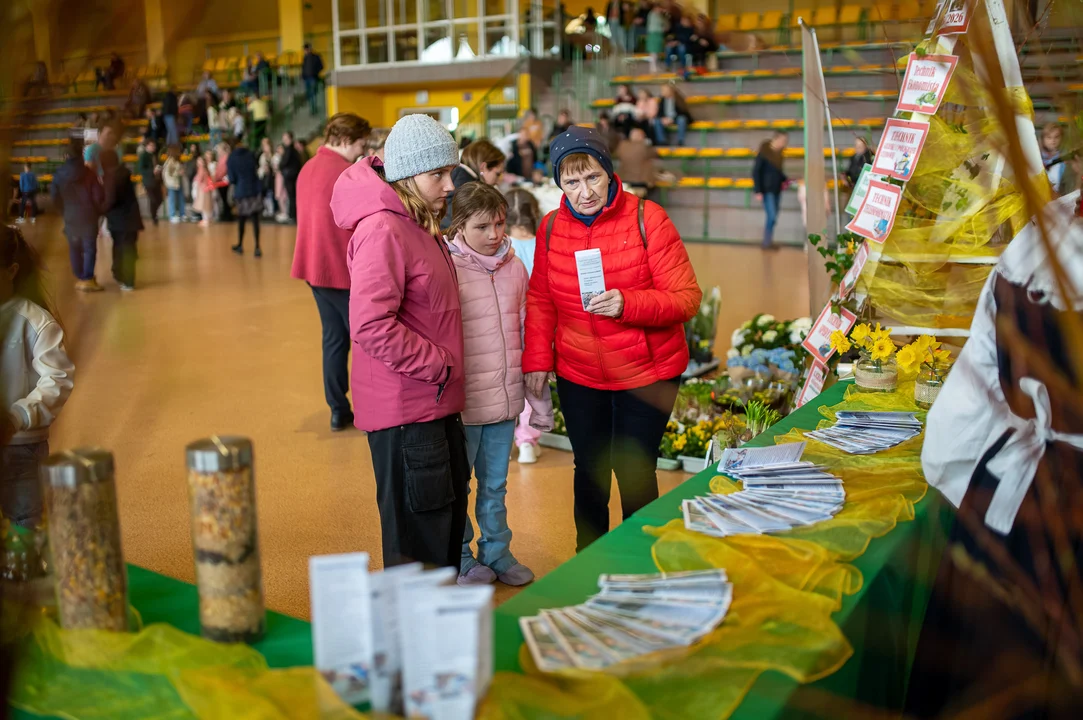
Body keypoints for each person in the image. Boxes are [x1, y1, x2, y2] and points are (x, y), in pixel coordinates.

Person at [910, 189, 1083, 718]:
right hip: (1016, 496)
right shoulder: (1048, 224)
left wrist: (957, 469)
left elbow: (979, 374)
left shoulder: (1048, 227)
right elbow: (983, 365)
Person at [523, 126, 701, 551]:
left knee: (636, 471)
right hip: (580, 373)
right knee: (588, 470)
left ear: (608, 171)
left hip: (647, 372)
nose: (584, 191)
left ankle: (638, 560)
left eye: (592, 177)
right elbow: (541, 300)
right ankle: (591, 561)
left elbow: (686, 298)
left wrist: (629, 303)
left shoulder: (648, 218)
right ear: (559, 184)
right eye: (571, 181)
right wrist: (536, 361)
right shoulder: (551, 229)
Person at [331, 113, 467, 569]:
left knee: (442, 522)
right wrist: (439, 365)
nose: (450, 185)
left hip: (434, 400)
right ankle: (417, 636)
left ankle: (439, 630)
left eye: (450, 171)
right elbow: (370, 324)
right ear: (408, 176)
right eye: (439, 174)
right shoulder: (384, 229)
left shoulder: (416, 220)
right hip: (409, 407)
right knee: (419, 543)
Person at [446, 182, 552, 587]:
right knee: (459, 488)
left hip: (505, 402)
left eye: (499, 223)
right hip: (465, 405)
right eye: (482, 226)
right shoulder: (448, 266)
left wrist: (535, 398)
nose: (494, 234)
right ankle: (461, 558)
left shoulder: (514, 267)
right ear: (459, 226)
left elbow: (527, 329)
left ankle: (497, 552)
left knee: (495, 486)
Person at [292, 113, 372, 431]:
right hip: (343, 268)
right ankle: (370, 409)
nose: (361, 151)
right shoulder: (348, 172)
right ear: (344, 140)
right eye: (360, 144)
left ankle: (338, 409)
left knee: (334, 340)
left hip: (314, 267)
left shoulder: (307, 168)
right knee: (368, 343)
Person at [0, 225, 75, 528]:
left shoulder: (34, 321)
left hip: (21, 449)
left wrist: (17, 417)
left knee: (24, 526)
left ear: (12, 271)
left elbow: (57, 380)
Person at [504, 188, 545, 464]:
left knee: (505, 384)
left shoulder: (501, 246)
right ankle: (527, 441)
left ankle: (503, 442)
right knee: (533, 386)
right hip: (536, 328)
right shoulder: (543, 245)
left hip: (504, 326)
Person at [51, 140, 104, 292]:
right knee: (89, 248)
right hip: (88, 216)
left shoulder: (59, 173)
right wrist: (97, 211)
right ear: (81, 154)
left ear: (66, 155)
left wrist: (63, 211)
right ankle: (88, 279)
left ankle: (80, 276)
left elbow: (54, 196)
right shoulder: (89, 173)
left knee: (74, 247)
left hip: (70, 215)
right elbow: (98, 195)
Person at [100, 149, 142, 290]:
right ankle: (127, 279)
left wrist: (98, 210)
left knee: (121, 250)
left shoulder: (112, 177)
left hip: (119, 221)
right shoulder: (123, 173)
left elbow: (110, 200)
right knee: (129, 249)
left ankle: (126, 279)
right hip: (131, 219)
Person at [443, 139, 507, 229]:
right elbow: (452, 224)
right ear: (483, 167)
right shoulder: (468, 188)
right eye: (497, 174)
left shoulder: (459, 177)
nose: (497, 181)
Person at [226, 139, 263, 256]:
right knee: (255, 220)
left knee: (241, 220)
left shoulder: (231, 158)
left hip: (241, 191)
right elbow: (255, 171)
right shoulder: (250, 155)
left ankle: (240, 245)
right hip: (253, 190)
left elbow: (232, 179)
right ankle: (257, 247)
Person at [753, 131, 790, 249]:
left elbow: (778, 173)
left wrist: (787, 179)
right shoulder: (764, 153)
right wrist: (758, 190)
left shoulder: (780, 155)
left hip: (777, 189)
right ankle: (766, 242)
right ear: (776, 139)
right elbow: (756, 171)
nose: (784, 144)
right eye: (783, 141)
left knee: (773, 217)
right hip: (766, 190)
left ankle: (768, 241)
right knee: (772, 216)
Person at [615, 127, 657, 194]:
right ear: (641, 136)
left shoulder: (622, 145)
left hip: (623, 179)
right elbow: (654, 154)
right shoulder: (644, 145)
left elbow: (617, 154)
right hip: (640, 180)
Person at [137, 139, 164, 225]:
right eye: (151, 145)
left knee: (160, 198)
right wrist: (152, 171)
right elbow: (141, 169)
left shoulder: (155, 155)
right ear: (147, 146)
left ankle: (154, 214)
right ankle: (154, 217)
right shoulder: (143, 156)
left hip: (157, 180)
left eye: (154, 146)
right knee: (153, 200)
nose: (153, 147)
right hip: (149, 181)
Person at [279, 131, 303, 223]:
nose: (284, 140)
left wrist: (280, 166)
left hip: (290, 176)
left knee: (291, 196)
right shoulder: (293, 150)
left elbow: (284, 162)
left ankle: (292, 215)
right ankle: (292, 215)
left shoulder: (289, 150)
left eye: (285, 138)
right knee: (292, 195)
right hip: (292, 175)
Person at [1040, 122, 1066, 195]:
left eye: (1056, 137)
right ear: (1043, 139)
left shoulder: (1065, 160)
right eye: (1049, 137)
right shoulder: (1036, 157)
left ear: (1061, 138)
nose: (1053, 140)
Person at [163, 147, 186, 224]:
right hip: (172, 183)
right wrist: (178, 173)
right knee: (172, 200)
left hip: (178, 182)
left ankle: (182, 214)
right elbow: (167, 174)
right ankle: (172, 215)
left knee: (181, 198)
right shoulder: (169, 161)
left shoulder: (177, 160)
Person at [301, 43, 325, 115]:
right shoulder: (305, 57)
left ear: (309, 49)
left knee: (312, 94)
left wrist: (315, 73)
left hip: (313, 78)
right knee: (309, 94)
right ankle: (312, 108)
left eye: (306, 49)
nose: (305, 51)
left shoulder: (316, 57)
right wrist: (303, 76)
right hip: (306, 79)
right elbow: (304, 68)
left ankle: (314, 109)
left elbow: (321, 66)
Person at [192, 155, 215, 226]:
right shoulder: (206, 169)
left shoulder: (201, 169)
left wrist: (196, 181)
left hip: (202, 190)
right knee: (207, 205)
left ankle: (205, 220)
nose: (198, 162)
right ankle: (208, 219)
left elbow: (199, 179)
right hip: (207, 189)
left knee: (203, 205)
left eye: (200, 160)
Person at [213, 142, 233, 221]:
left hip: (222, 180)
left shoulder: (225, 157)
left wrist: (217, 176)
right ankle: (226, 213)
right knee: (223, 198)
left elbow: (223, 170)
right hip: (220, 179)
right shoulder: (221, 157)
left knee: (224, 197)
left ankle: (227, 214)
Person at [257, 137, 277, 217]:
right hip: (263, 177)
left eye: (266, 145)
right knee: (264, 194)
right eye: (263, 145)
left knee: (271, 193)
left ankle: (272, 209)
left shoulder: (274, 155)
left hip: (271, 178)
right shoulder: (262, 156)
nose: (264, 147)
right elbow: (260, 166)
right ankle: (266, 209)